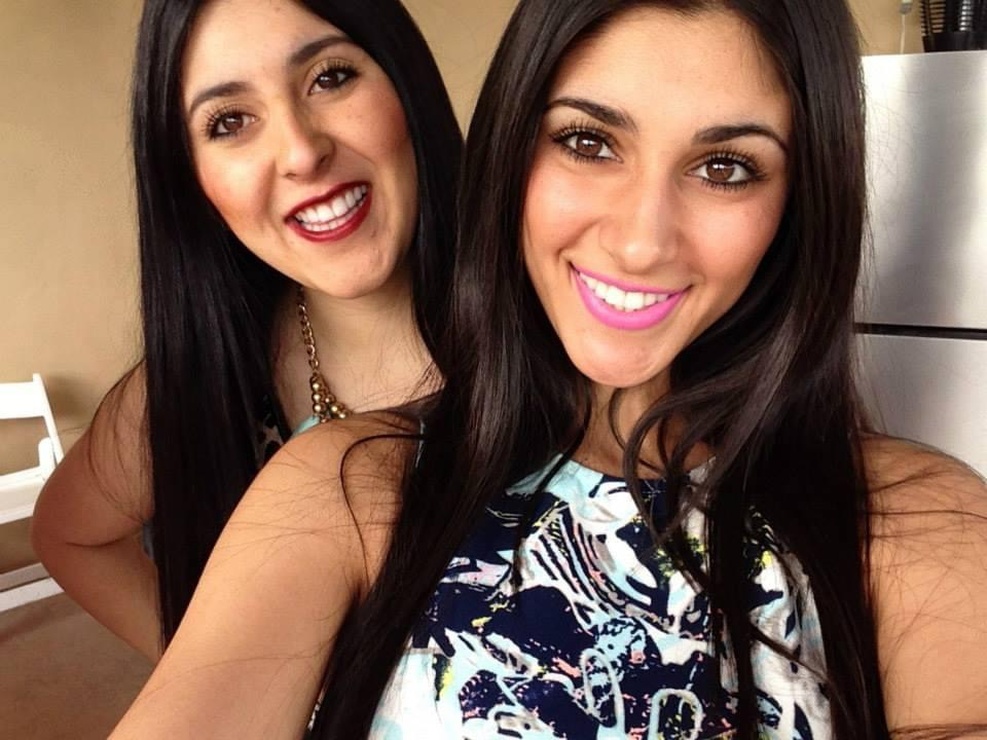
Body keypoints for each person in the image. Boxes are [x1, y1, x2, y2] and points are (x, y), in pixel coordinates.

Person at [109, 0, 987, 737]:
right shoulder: (344, 487)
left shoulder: (917, 522)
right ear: (510, 153)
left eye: (725, 167)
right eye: (587, 142)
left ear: (797, 205)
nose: (640, 241)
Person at [30, 0, 461, 662]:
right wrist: (219, 675)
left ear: (405, 80)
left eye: (330, 77)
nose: (301, 153)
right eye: (229, 121)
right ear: (190, 180)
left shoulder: (566, 324)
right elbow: (70, 536)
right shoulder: (206, 375)